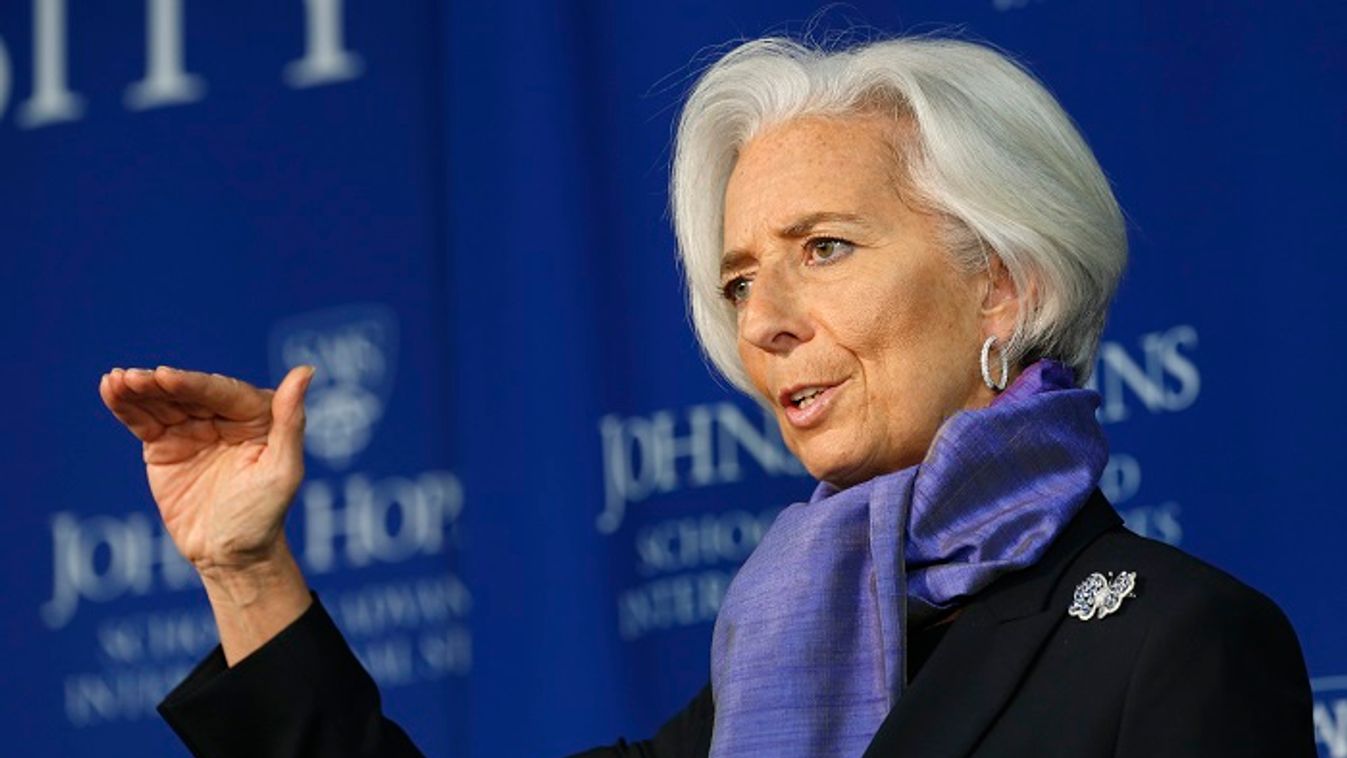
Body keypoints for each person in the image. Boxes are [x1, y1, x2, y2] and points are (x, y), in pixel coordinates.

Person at [99, 35, 1314, 757]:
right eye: (737, 280)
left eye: (824, 247)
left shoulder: (1176, 641)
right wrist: (246, 568)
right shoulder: (780, 654)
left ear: (1000, 283)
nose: (764, 318)